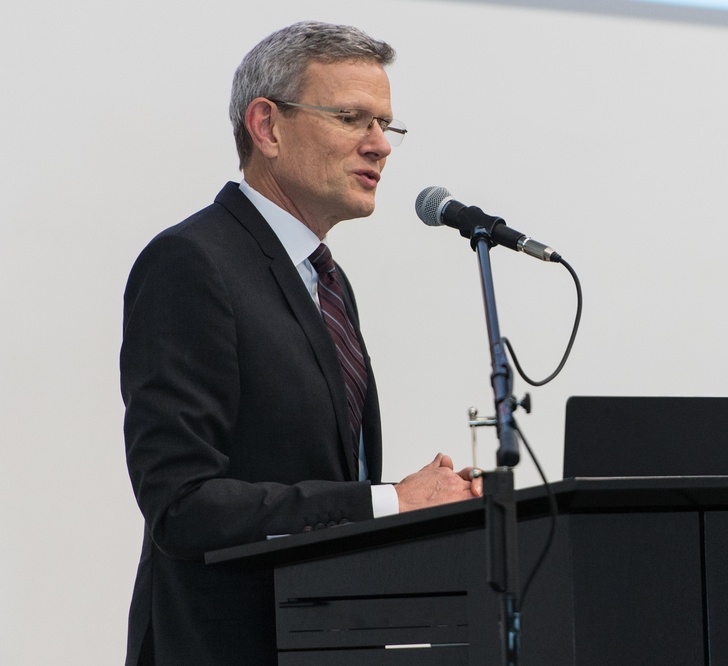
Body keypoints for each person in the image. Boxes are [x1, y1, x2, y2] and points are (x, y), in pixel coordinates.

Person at [120, 21, 481, 666]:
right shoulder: (192, 262)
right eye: (352, 118)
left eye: (386, 125)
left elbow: (321, 481)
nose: (381, 146)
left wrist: (429, 508)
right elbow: (180, 504)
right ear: (268, 126)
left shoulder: (324, 280)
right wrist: (389, 500)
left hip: (320, 643)